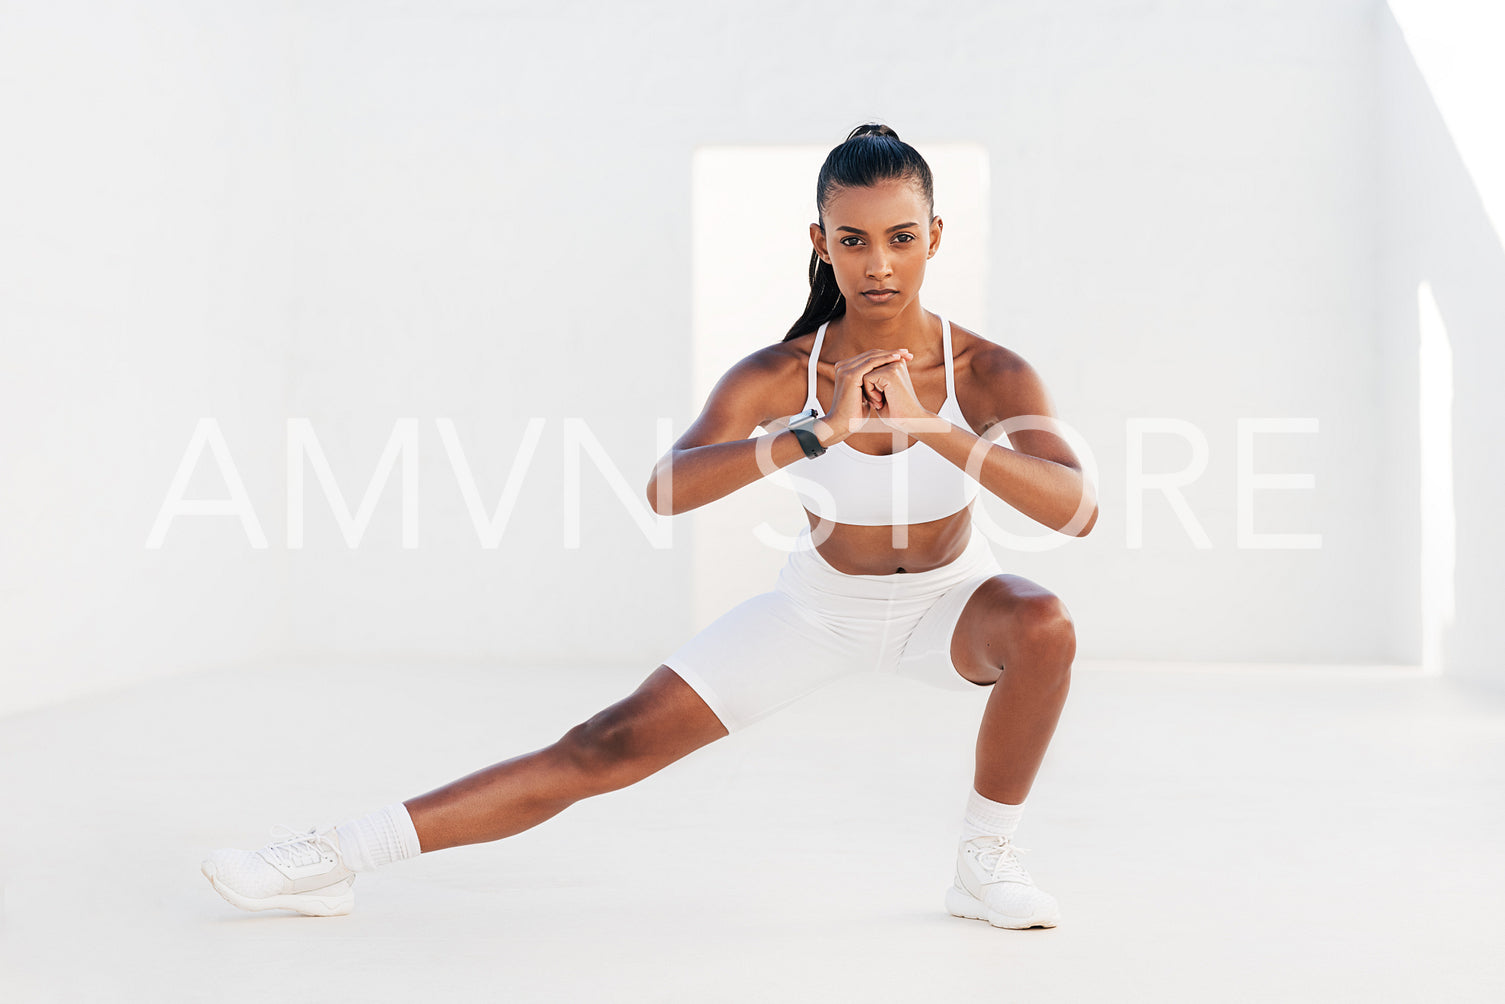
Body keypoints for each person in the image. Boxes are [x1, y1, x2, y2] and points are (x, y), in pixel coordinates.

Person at [201, 122, 1098, 931]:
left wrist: (930, 430)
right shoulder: (783, 374)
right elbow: (668, 489)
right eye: (853, 240)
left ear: (934, 238)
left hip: (948, 609)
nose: (878, 265)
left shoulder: (986, 371)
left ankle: (984, 864)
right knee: (605, 744)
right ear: (819, 243)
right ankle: (332, 856)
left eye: (901, 239)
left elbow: (1078, 508)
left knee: (1041, 621)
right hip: (816, 613)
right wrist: (813, 435)